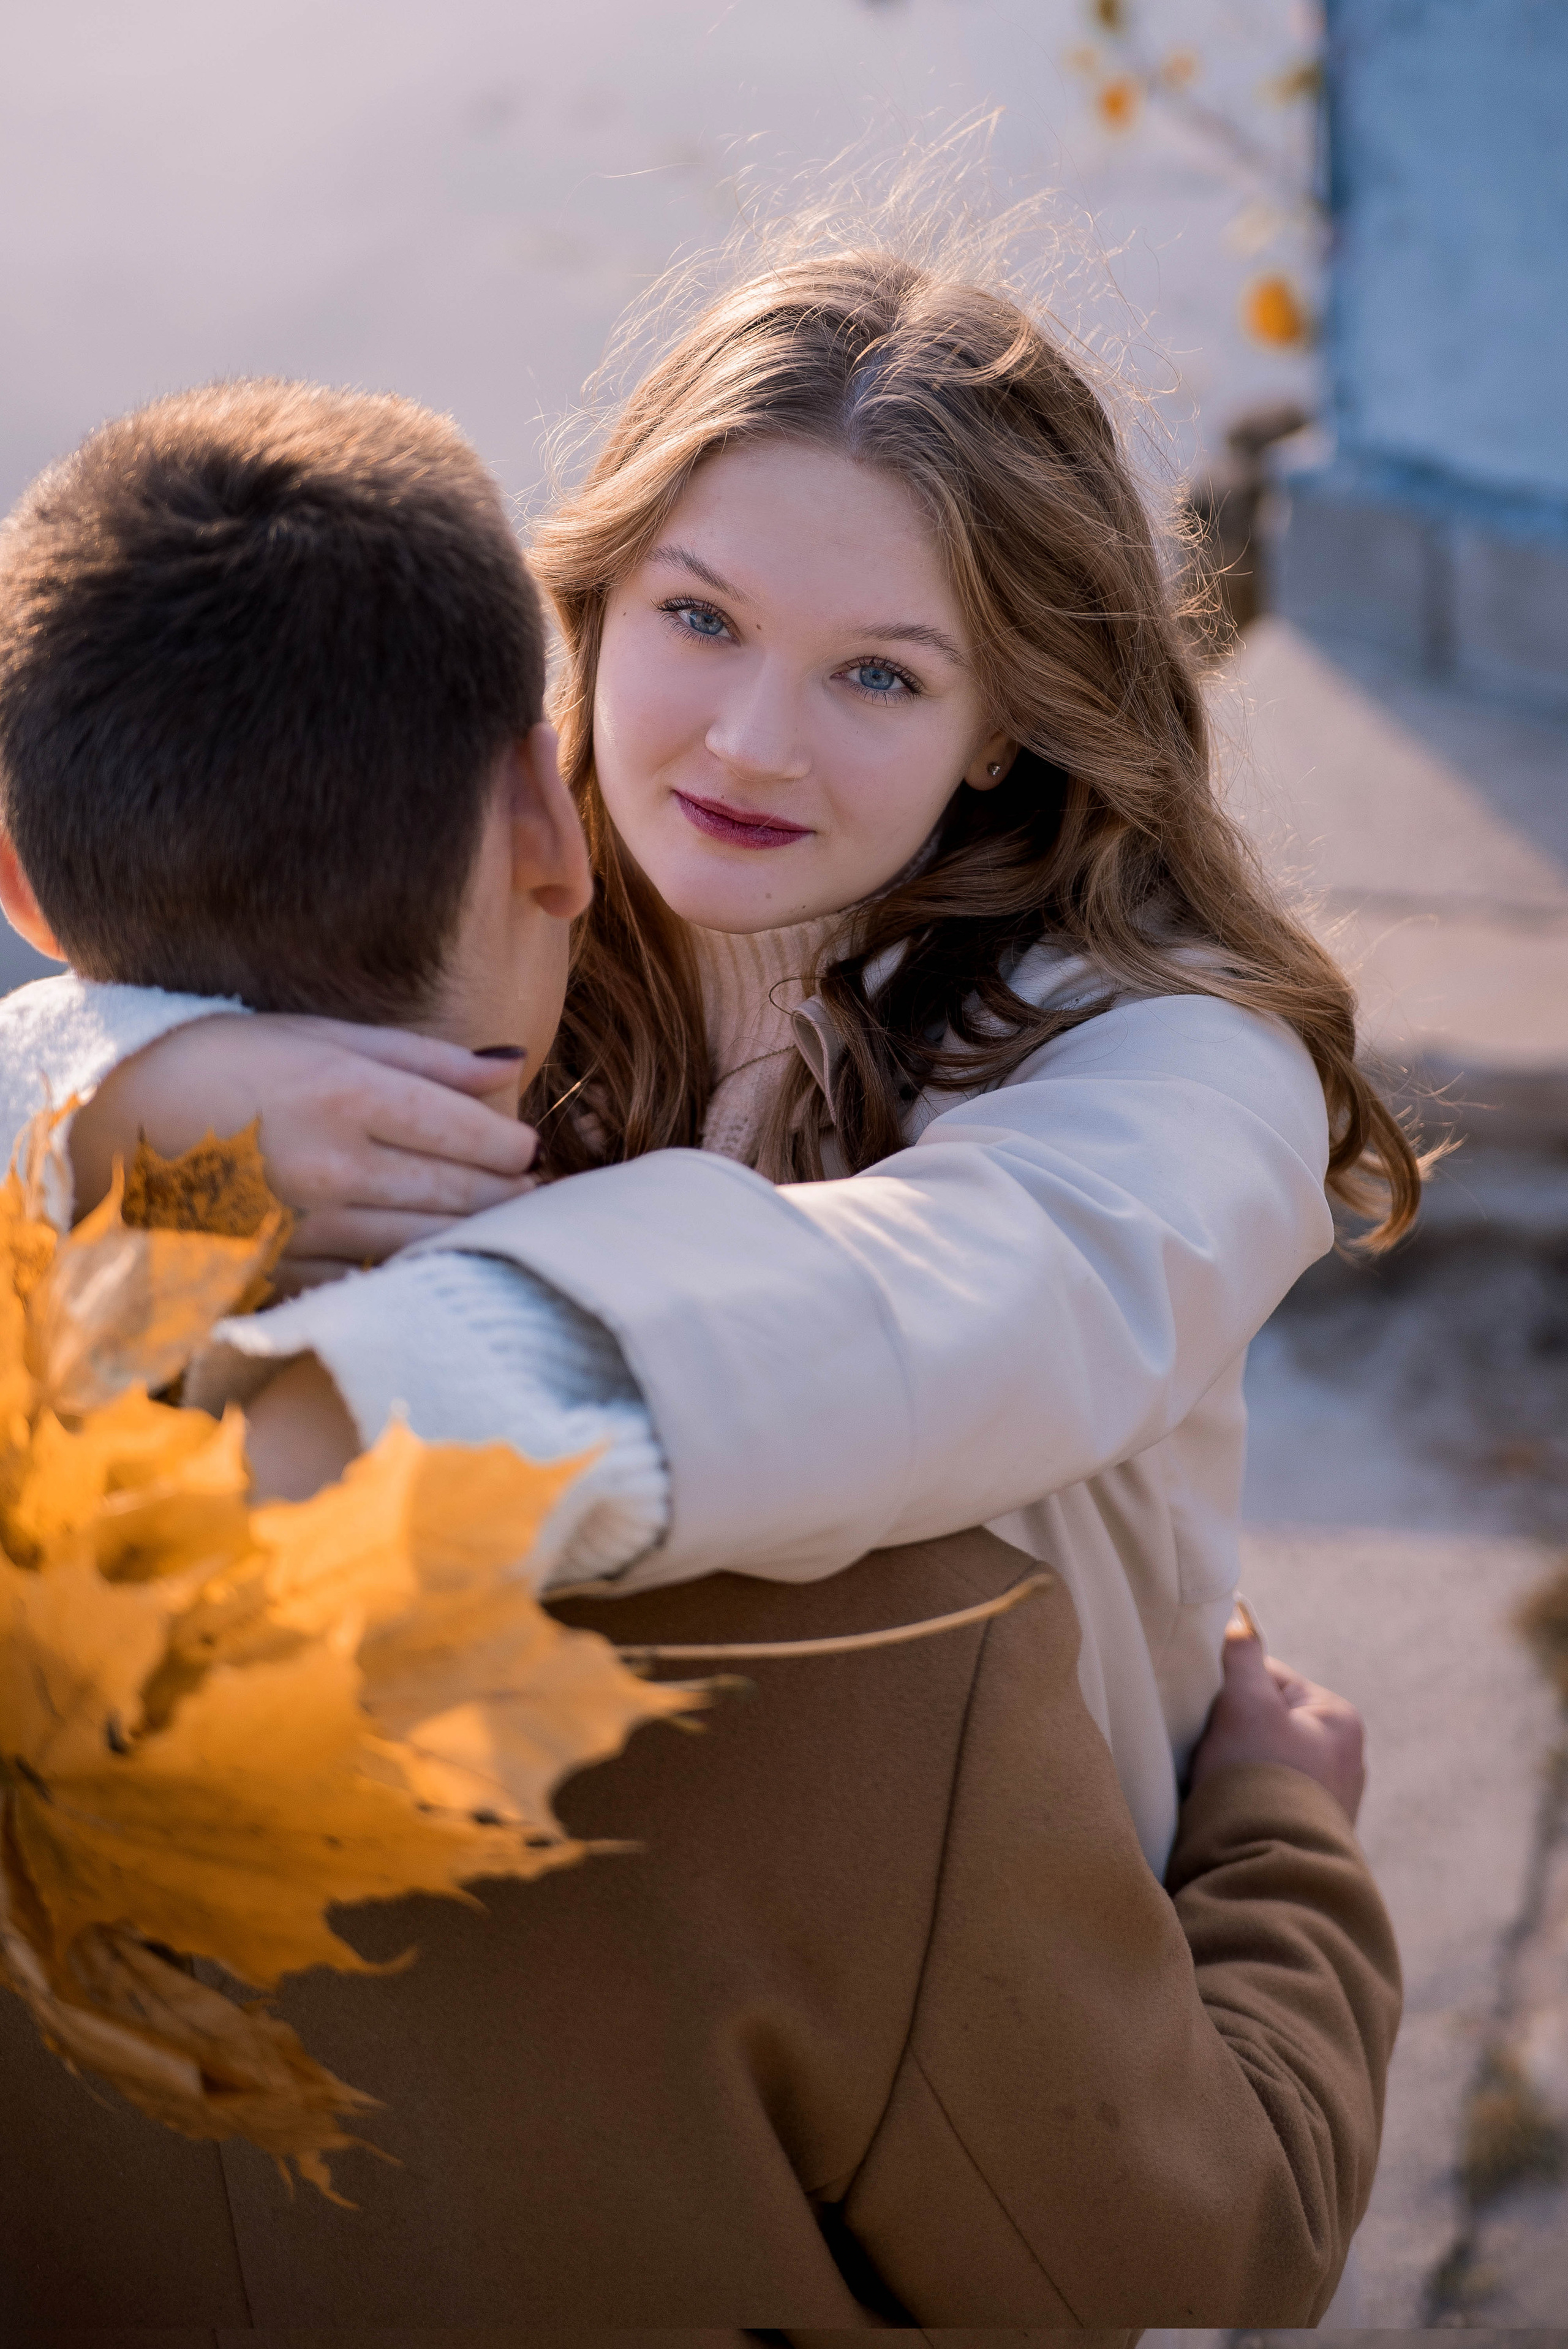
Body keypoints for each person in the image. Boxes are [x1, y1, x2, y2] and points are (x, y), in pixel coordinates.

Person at [0, 368, 1398, 2328]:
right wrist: (110, 1071)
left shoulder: (1173, 1072)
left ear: (1020, 707)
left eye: (884, 675)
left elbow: (969, 1285)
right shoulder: (892, 1663)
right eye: (699, 617)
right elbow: (1199, 2229)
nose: (752, 735)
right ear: (583, 631)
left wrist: (147, 1148)